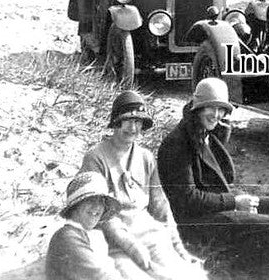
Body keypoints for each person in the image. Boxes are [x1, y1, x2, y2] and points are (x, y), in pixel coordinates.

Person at [158, 78, 269, 280]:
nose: (216, 115)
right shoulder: (177, 144)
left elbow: (223, 177)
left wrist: (222, 133)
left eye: (221, 109)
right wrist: (235, 202)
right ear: (198, 107)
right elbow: (187, 200)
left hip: (221, 208)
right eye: (211, 108)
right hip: (197, 225)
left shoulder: (205, 133)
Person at [80, 91, 206, 280]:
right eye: (127, 120)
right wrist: (132, 247)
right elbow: (98, 212)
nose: (133, 128)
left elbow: (161, 208)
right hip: (112, 239)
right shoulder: (95, 157)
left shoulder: (146, 157)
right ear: (116, 122)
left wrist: (179, 249)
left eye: (138, 122)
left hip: (148, 233)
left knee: (185, 274)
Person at [46, 172, 123, 280]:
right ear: (76, 206)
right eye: (90, 199)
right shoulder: (66, 237)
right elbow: (101, 276)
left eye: (101, 201)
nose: (97, 206)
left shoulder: (88, 236)